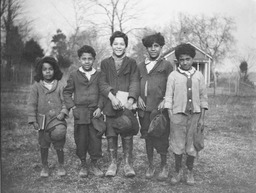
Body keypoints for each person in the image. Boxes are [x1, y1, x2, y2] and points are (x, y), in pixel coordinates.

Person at [164, 43, 208, 185]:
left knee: (191, 145)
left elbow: (203, 98)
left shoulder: (199, 76)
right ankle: (177, 171)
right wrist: (171, 115)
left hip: (194, 116)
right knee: (178, 145)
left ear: (192, 59)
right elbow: (168, 97)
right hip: (178, 115)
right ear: (178, 61)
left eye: (188, 59)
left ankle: (189, 171)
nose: (185, 62)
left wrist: (201, 118)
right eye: (181, 60)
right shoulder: (173, 76)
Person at [100, 31, 140, 177]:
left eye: (121, 44)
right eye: (115, 43)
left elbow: (135, 81)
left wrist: (130, 100)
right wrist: (111, 97)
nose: (118, 46)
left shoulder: (132, 63)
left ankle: (128, 164)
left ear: (126, 46)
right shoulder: (105, 63)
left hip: (127, 107)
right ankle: (113, 163)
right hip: (110, 104)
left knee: (127, 132)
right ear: (111, 45)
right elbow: (102, 82)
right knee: (111, 133)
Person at [63, 45, 104, 178]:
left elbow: (103, 93)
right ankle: (83, 164)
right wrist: (73, 107)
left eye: (90, 59)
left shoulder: (99, 75)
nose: (87, 61)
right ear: (79, 59)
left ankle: (94, 163)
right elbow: (67, 93)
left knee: (95, 138)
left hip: (95, 113)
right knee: (81, 139)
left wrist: (100, 107)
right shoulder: (74, 75)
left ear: (94, 60)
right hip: (80, 113)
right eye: (84, 59)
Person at [137, 33, 173, 181]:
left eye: (156, 46)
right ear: (146, 48)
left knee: (162, 136)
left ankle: (164, 165)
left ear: (161, 47)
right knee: (147, 136)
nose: (153, 49)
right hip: (144, 108)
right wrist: (138, 96)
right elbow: (135, 84)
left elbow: (172, 85)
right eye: (150, 46)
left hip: (160, 109)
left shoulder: (166, 65)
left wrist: (165, 99)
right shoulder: (140, 66)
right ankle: (151, 165)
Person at [27, 56, 68, 178]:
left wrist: (63, 112)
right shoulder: (36, 86)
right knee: (43, 144)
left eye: (50, 69)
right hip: (42, 122)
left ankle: (61, 165)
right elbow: (32, 104)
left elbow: (66, 101)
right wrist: (33, 120)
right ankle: (45, 166)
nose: (48, 71)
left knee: (59, 142)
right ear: (41, 71)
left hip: (57, 120)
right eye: (45, 69)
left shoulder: (60, 85)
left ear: (55, 70)